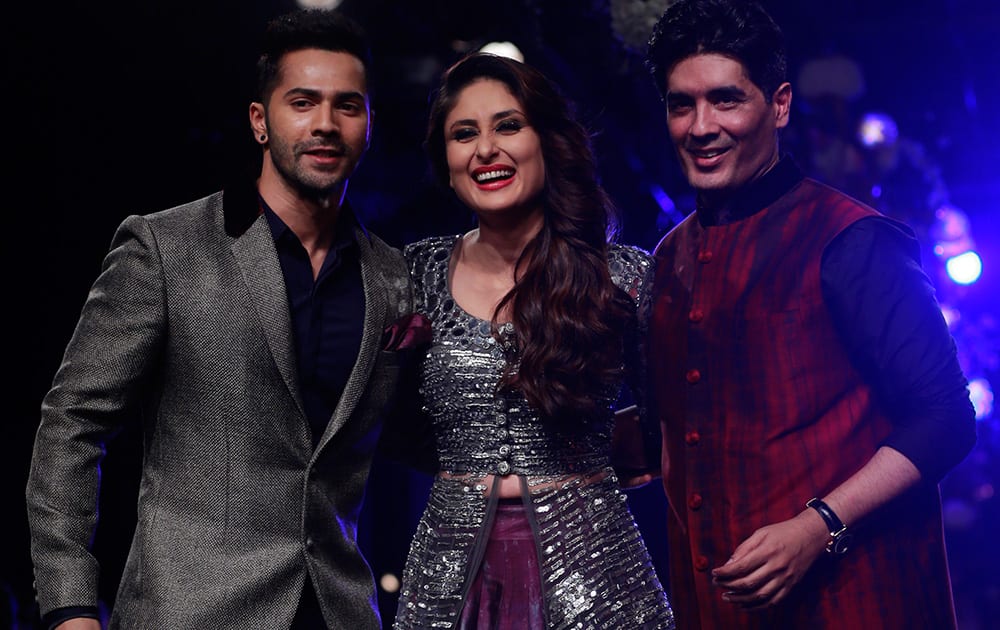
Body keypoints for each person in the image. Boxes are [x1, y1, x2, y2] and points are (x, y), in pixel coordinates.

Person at [25, 8, 414, 630]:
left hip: (338, 612)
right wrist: (69, 606)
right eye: (302, 102)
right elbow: (71, 425)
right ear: (261, 121)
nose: (325, 124)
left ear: (369, 126)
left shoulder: (393, 278)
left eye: (347, 106)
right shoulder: (166, 248)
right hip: (190, 611)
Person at [641, 1, 978, 628]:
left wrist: (819, 524)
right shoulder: (669, 258)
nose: (700, 125)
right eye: (680, 104)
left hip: (856, 603)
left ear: (781, 104)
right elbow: (678, 430)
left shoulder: (851, 238)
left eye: (725, 100)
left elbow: (946, 418)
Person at [388, 52, 675, 628]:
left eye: (508, 126)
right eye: (463, 134)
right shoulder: (412, 273)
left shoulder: (622, 277)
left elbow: (669, 425)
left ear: (547, 140)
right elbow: (391, 423)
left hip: (596, 573)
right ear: (446, 163)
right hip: (449, 579)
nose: (485, 150)